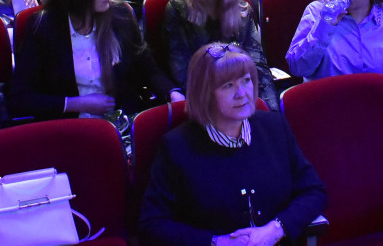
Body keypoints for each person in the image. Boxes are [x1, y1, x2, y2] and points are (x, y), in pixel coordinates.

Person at [139, 42, 325, 244]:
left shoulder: (275, 127)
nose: (241, 93)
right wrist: (217, 242)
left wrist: (276, 229)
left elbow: (313, 191)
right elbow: (152, 224)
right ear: (205, 93)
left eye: (246, 81)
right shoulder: (177, 146)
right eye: (228, 85)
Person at [9, 0, 180, 122]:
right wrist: (76, 104)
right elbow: (19, 98)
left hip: (120, 122)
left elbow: (148, 69)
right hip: (67, 127)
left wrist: (172, 92)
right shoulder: (43, 27)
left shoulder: (120, 16)